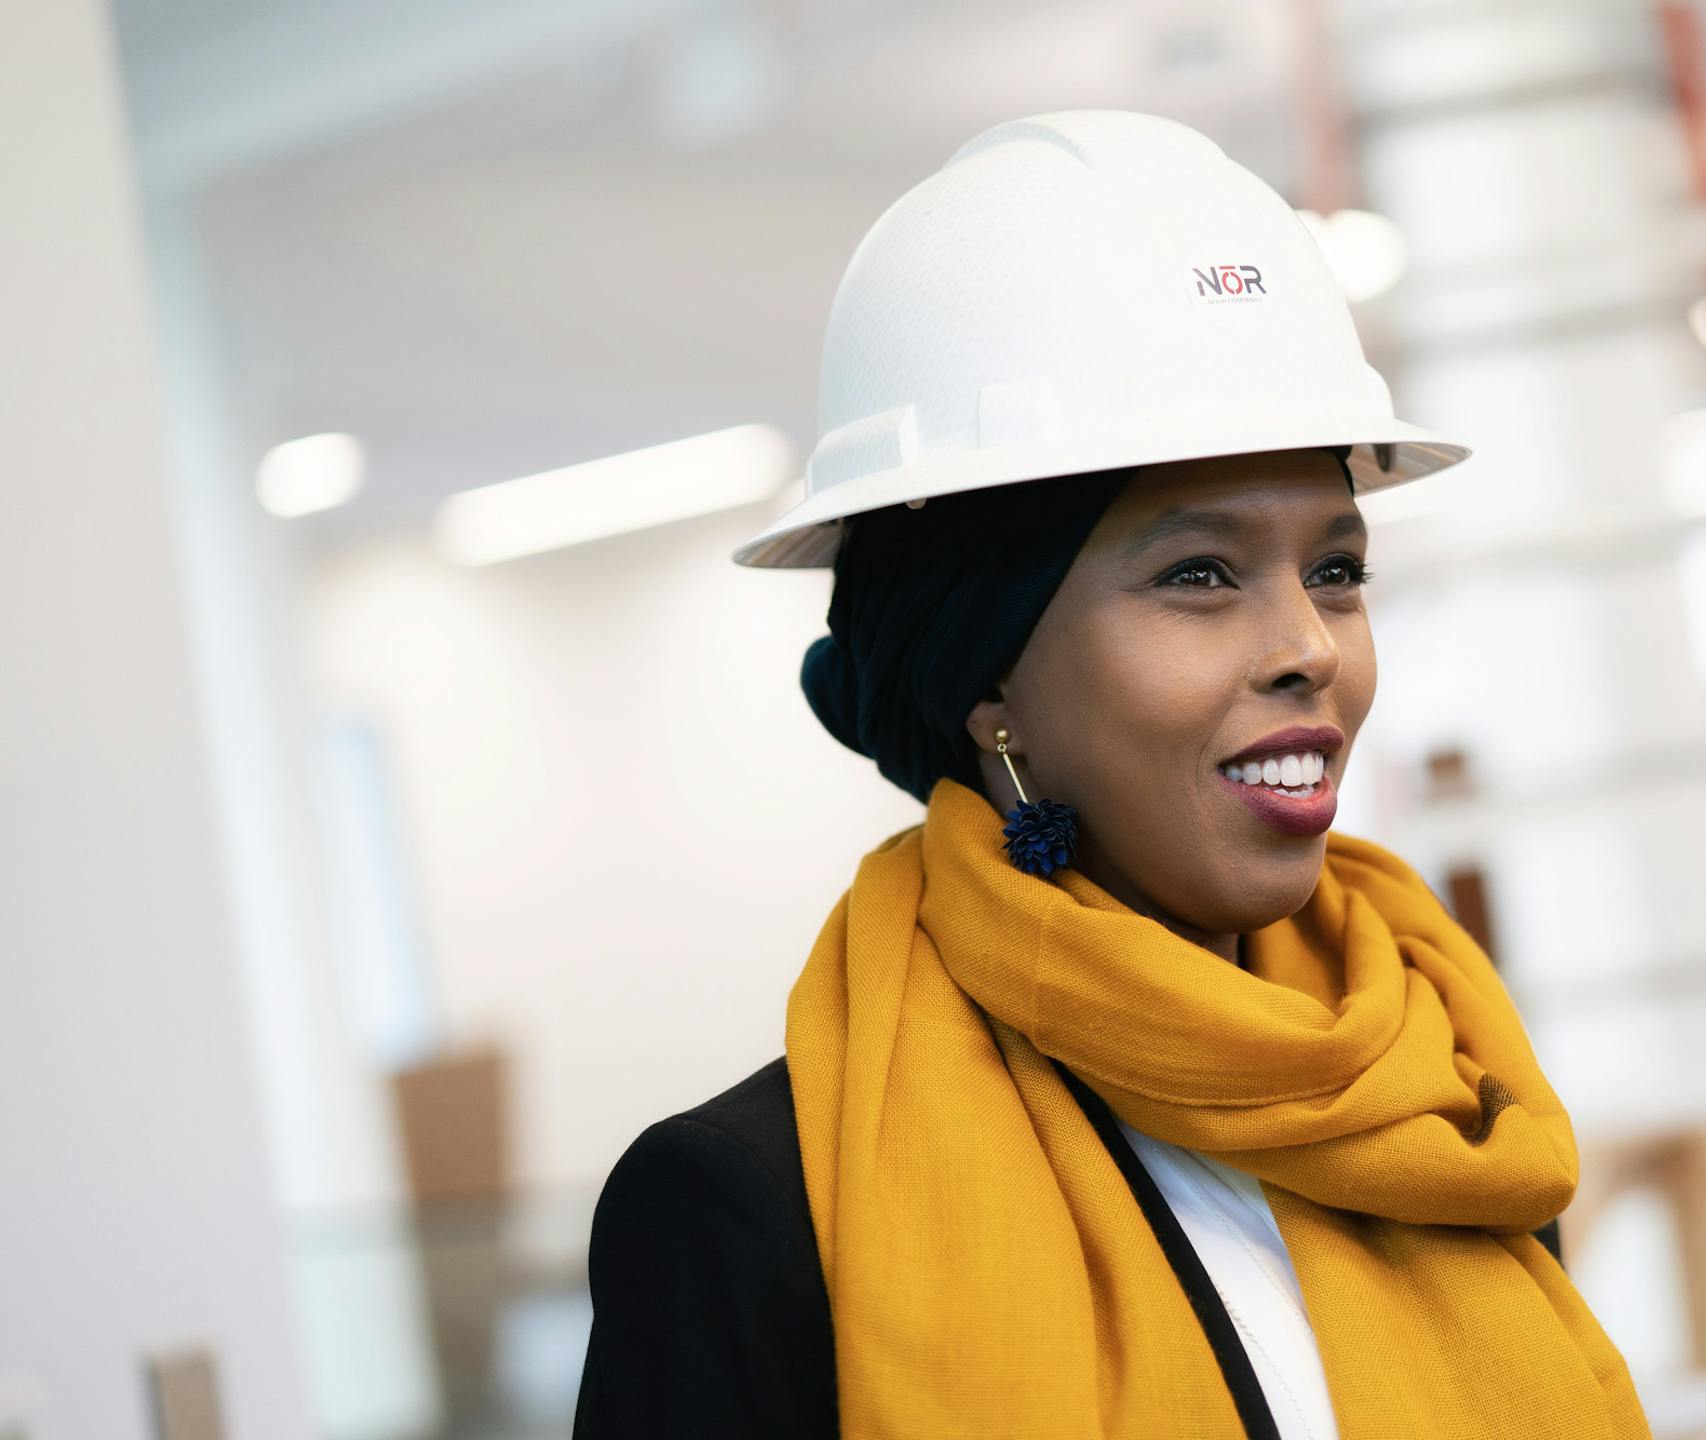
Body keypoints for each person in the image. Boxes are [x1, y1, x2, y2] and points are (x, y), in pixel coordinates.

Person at [573, 110, 1651, 1439]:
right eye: (1199, 575)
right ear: (989, 678)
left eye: (1337, 569)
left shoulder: (1438, 1095)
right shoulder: (757, 1209)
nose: (1311, 646)